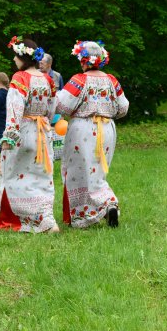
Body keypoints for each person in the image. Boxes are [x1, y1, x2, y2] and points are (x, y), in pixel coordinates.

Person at [56, 40, 129, 228]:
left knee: (79, 172)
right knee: (98, 172)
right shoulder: (112, 80)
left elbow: (62, 105)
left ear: (83, 60)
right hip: (107, 128)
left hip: (83, 129)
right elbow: (123, 108)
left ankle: (90, 212)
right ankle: (107, 205)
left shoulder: (79, 80)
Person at [0, 36, 59, 233]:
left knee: (14, 177)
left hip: (23, 132)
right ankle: (46, 219)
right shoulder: (47, 79)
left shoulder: (20, 78)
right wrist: (44, 121)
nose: (14, 59)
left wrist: (9, 136)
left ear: (23, 57)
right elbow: (52, 108)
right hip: (43, 133)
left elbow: (15, 108)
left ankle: (16, 219)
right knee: (41, 178)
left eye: (15, 56)